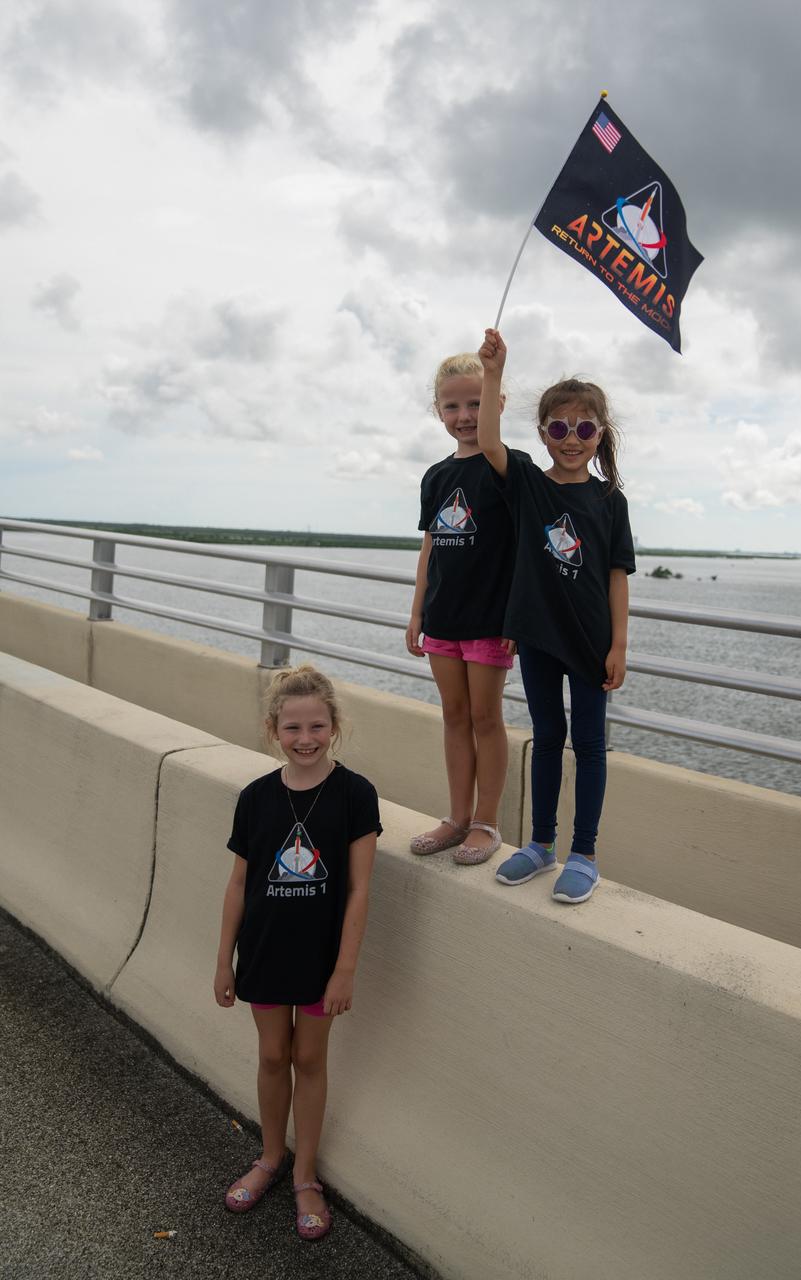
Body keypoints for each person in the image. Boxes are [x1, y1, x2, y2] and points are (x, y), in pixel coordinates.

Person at [214, 665, 381, 1240]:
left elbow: (359, 888)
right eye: (292, 728)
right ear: (272, 730)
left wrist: (345, 970)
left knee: (309, 1060)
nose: (304, 738)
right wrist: (223, 960)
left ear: (334, 726)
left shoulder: (356, 795)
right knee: (270, 1056)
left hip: (320, 961)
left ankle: (305, 1175)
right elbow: (239, 884)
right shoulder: (255, 798)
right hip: (262, 953)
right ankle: (269, 1159)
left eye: (316, 725)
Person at [476, 328, 635, 904]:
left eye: (585, 429)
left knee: (589, 746)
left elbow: (617, 576)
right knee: (547, 739)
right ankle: (540, 845)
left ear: (600, 435)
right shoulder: (525, 484)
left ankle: (584, 853)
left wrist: (618, 645)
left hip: (592, 641)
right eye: (560, 428)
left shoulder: (609, 500)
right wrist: (493, 372)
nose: (573, 439)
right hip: (538, 637)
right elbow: (490, 442)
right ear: (543, 433)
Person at [405, 351, 517, 865]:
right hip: (443, 617)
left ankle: (486, 821)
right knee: (453, 716)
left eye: (477, 403)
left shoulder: (507, 466)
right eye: (453, 406)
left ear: (497, 404)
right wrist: (416, 612)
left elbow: (491, 440)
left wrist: (493, 370)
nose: (465, 416)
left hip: (489, 619)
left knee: (484, 716)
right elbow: (430, 545)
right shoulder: (435, 476)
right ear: (438, 411)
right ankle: (455, 816)